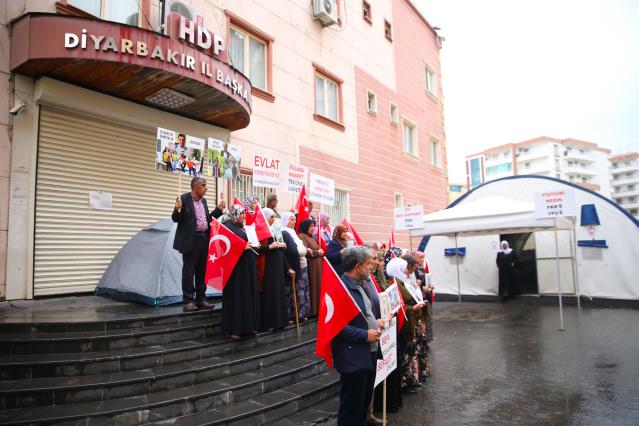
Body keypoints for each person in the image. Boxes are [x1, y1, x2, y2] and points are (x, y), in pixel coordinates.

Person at [333, 246, 384, 426]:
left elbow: (364, 314)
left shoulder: (362, 284)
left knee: (362, 406)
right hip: (353, 356)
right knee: (351, 410)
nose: (372, 266)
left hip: (368, 353)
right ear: (357, 266)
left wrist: (375, 323)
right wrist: (364, 335)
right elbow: (337, 327)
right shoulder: (340, 289)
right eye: (368, 263)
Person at [386, 254, 431, 393]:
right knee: (407, 353)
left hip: (414, 319)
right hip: (407, 321)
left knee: (413, 351)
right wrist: (413, 308)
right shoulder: (394, 283)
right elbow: (397, 306)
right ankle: (407, 381)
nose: (406, 270)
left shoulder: (404, 280)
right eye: (403, 268)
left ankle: (414, 378)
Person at [220, 204, 264, 339]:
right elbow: (223, 246)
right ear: (234, 214)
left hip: (247, 267)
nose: (245, 216)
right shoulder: (227, 227)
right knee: (237, 296)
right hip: (236, 270)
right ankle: (234, 329)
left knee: (247, 295)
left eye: (245, 213)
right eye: (242, 214)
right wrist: (241, 248)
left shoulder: (243, 227)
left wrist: (255, 244)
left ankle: (248, 327)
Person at [171, 177, 214, 312]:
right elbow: (176, 219)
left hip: (204, 238)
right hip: (191, 240)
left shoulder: (204, 201)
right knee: (189, 271)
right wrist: (176, 209)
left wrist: (218, 210)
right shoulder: (183, 199)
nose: (206, 188)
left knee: (202, 271)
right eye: (203, 185)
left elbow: (208, 219)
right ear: (195, 187)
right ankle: (188, 301)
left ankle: (201, 299)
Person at [259, 208, 293, 331]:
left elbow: (280, 248)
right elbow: (258, 248)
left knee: (279, 293)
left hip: (278, 265)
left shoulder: (276, 229)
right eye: (271, 217)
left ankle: (280, 321)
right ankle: (270, 323)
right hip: (269, 266)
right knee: (271, 294)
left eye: (274, 216)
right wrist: (269, 246)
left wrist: (282, 246)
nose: (273, 219)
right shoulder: (261, 230)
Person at [281, 212, 311, 321]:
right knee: (295, 292)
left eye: (294, 219)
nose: (294, 221)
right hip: (294, 266)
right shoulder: (283, 232)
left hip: (302, 265)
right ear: (285, 221)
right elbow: (285, 252)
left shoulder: (293, 232)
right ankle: (293, 315)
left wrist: (306, 250)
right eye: (291, 219)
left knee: (302, 291)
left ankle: (302, 314)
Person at [298, 219, 323, 317]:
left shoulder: (312, 238)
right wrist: (318, 252)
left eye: (314, 226)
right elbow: (306, 251)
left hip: (317, 267)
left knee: (318, 286)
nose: (313, 228)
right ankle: (312, 311)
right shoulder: (302, 236)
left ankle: (318, 310)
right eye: (310, 226)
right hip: (311, 267)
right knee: (313, 286)